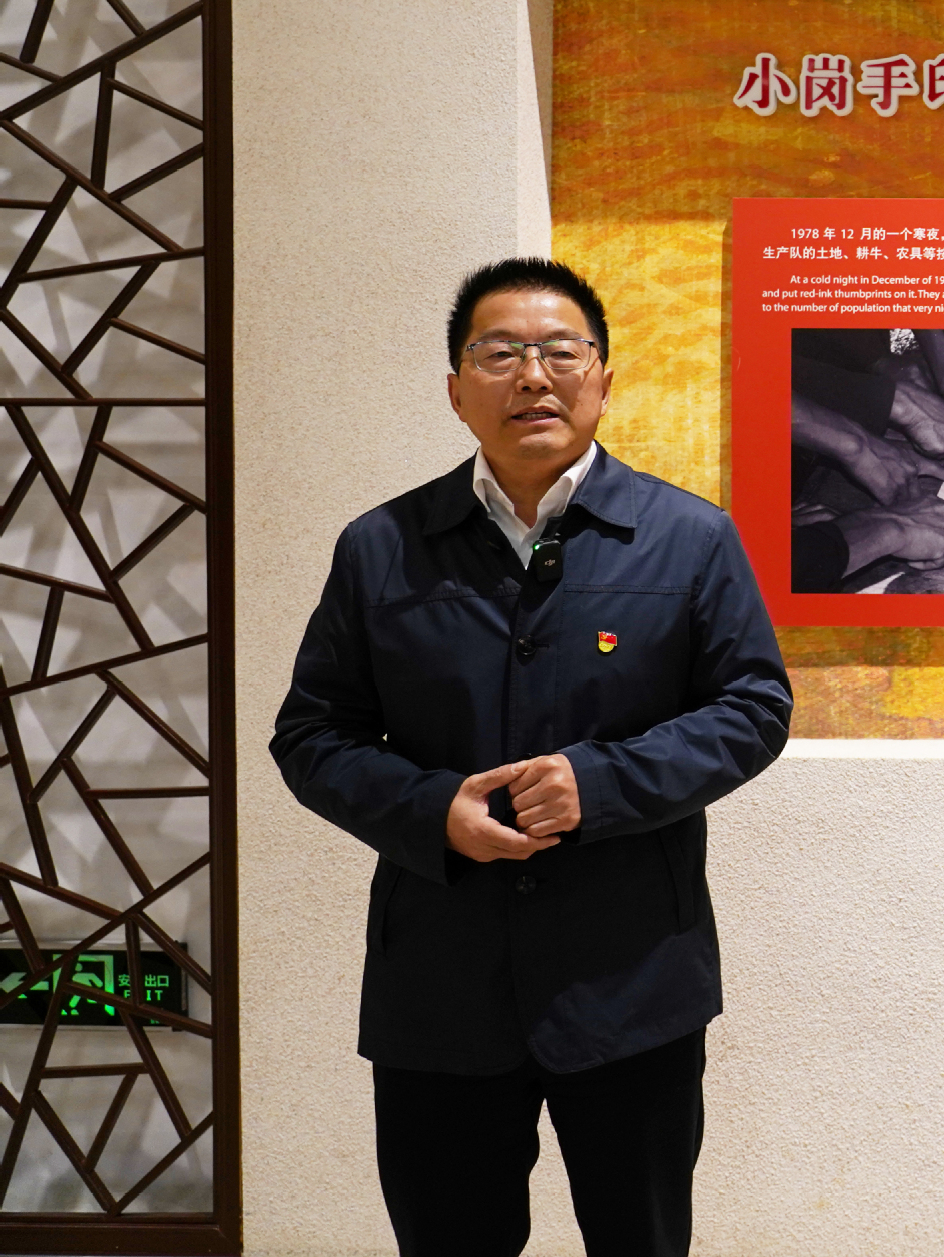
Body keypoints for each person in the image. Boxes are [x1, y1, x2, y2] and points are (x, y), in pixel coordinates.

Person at [270, 258, 793, 1257]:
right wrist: (432, 811)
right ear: (455, 388)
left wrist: (598, 784)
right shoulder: (381, 546)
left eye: (560, 351)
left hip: (633, 981)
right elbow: (312, 734)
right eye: (499, 353)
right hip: (440, 984)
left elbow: (754, 707)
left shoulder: (690, 539)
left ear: (604, 379)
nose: (532, 376)